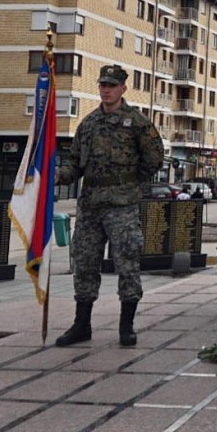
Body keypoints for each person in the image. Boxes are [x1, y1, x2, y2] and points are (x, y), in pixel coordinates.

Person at [55, 64, 164, 348]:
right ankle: (82, 324)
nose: (106, 89)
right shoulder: (88, 124)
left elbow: (153, 159)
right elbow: (75, 163)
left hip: (122, 205)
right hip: (91, 205)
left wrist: (129, 183)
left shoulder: (137, 123)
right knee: (85, 262)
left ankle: (126, 326)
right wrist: (57, 175)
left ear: (123, 89)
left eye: (112, 85)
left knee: (127, 262)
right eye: (103, 84)